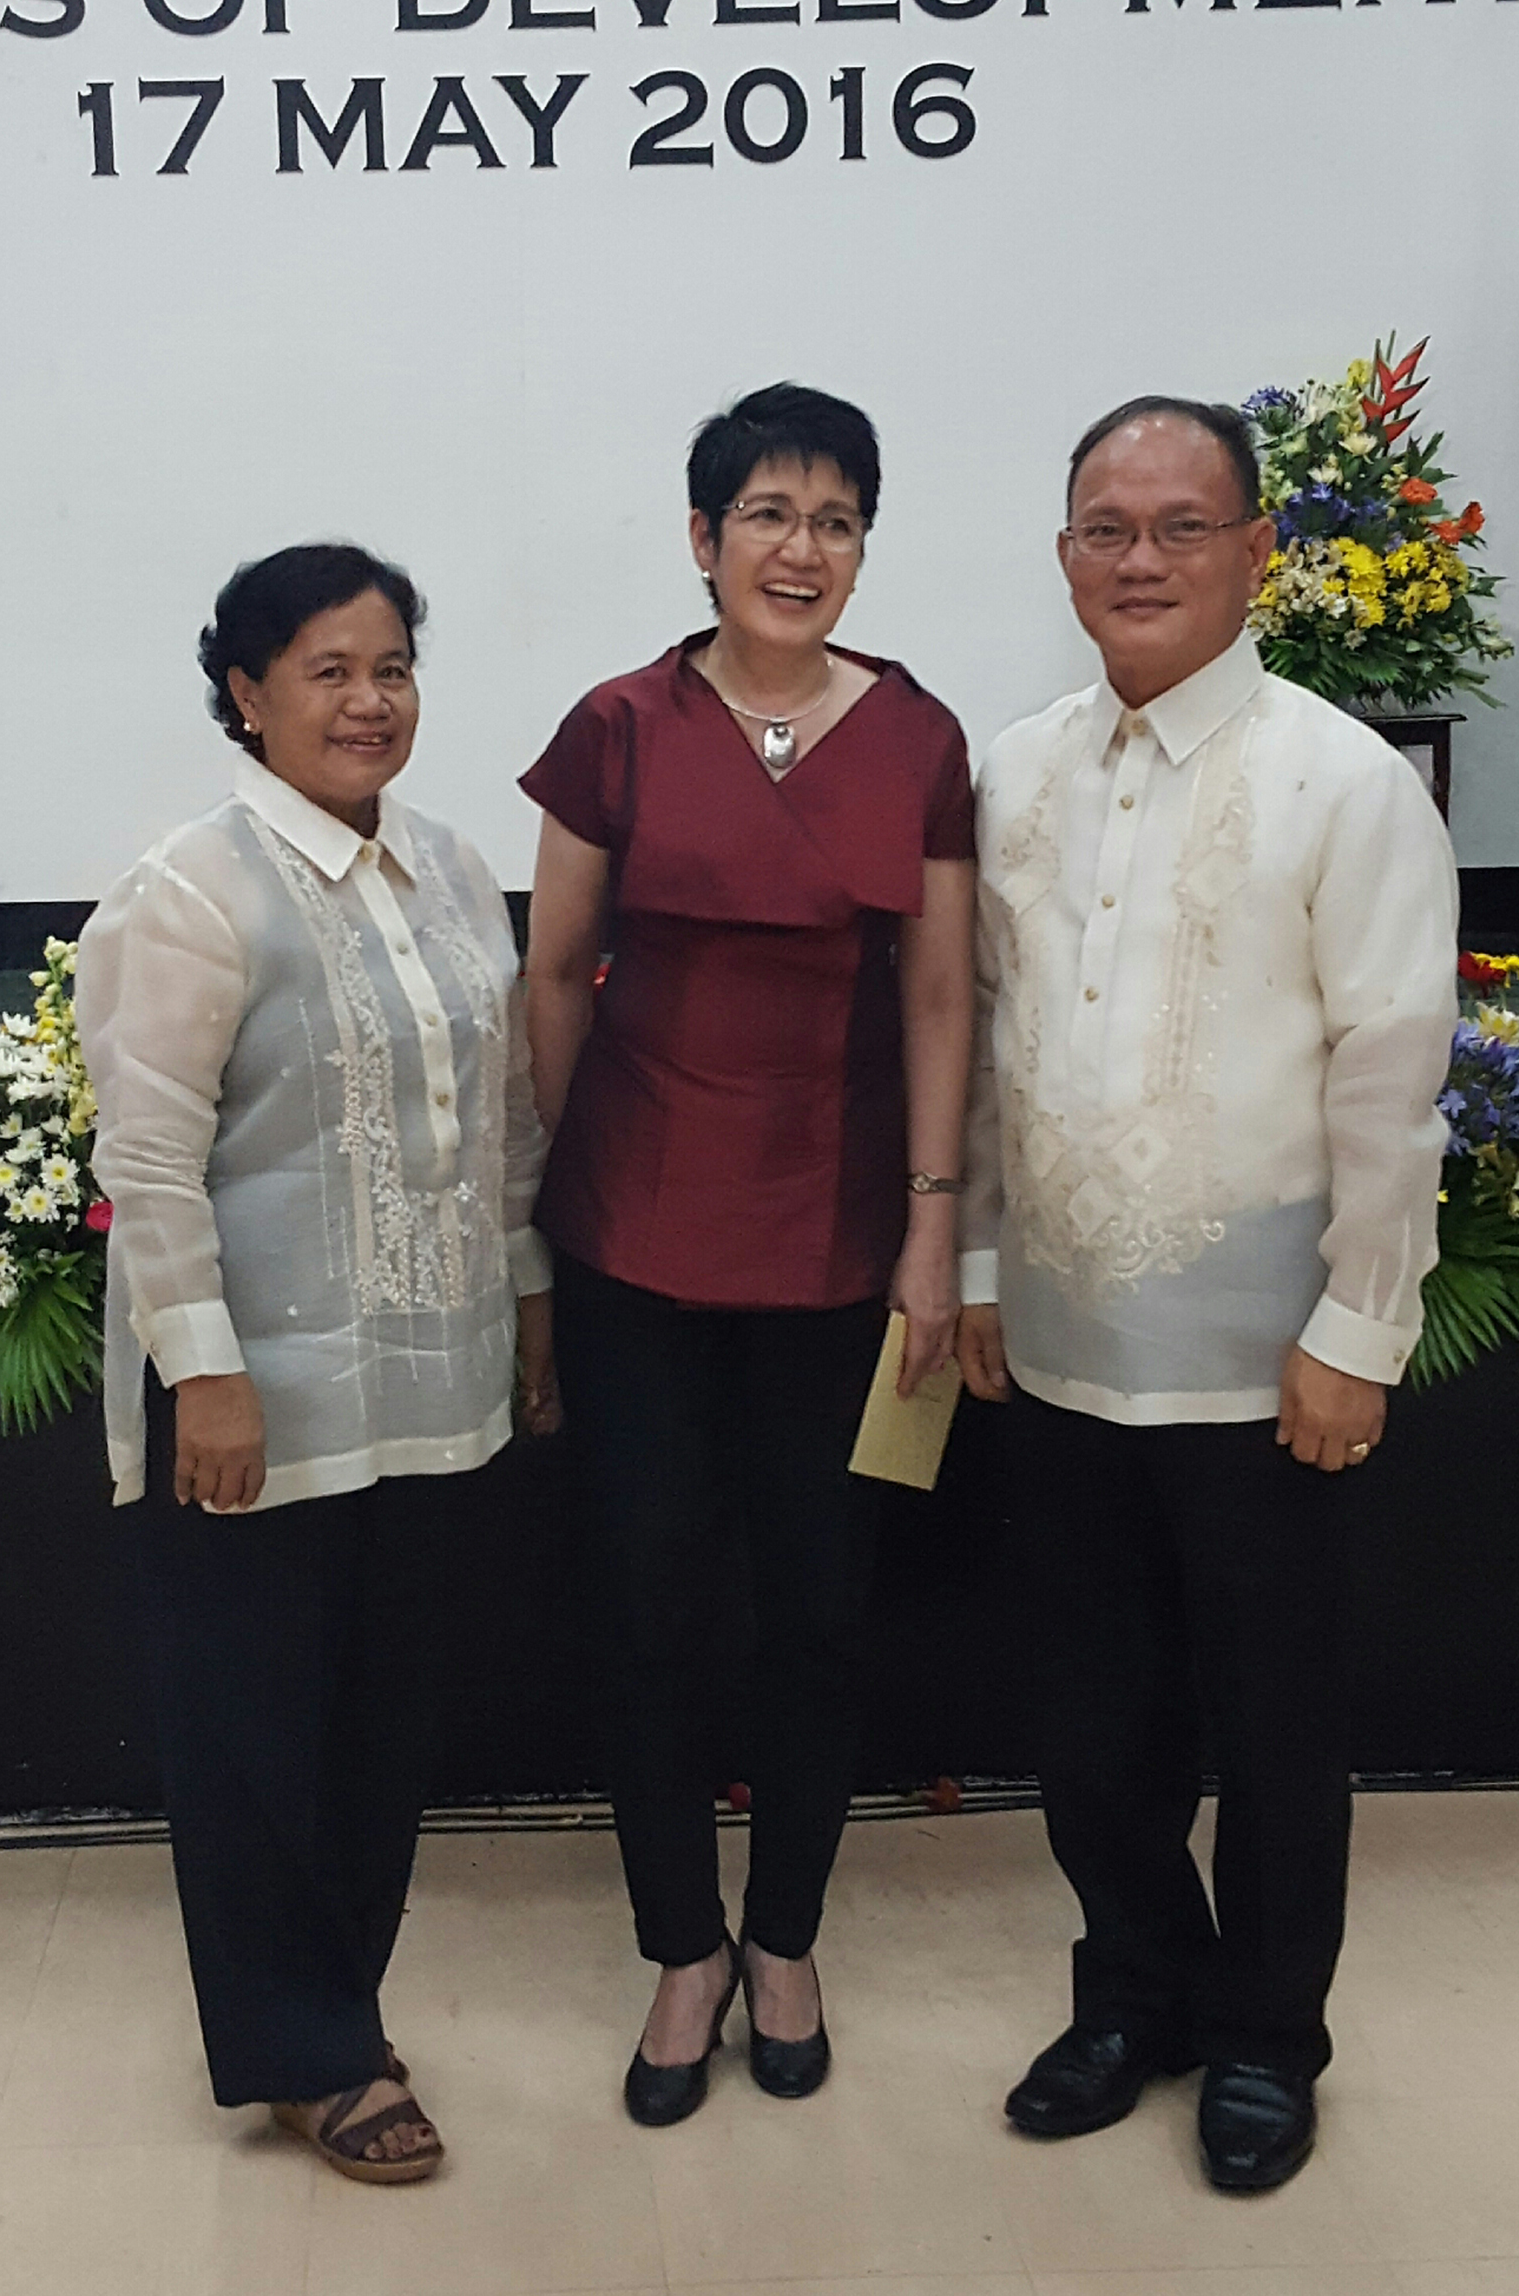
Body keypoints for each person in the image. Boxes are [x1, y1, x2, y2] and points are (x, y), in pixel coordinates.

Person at [956, 397, 1458, 2194]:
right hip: (1068, 1349)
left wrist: (1357, 1330)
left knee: (1274, 1725)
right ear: (1067, 551)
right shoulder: (1014, 771)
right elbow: (990, 1056)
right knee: (1093, 1722)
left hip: (1269, 1363)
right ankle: (1135, 1994)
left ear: (1256, 551)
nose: (1143, 556)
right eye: (1108, 525)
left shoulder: (1344, 781)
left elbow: (1394, 1079)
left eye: (1183, 524)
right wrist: (980, 1268)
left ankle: (1266, 2034)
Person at [521, 382, 975, 2123]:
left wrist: (937, 1227)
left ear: (865, 546)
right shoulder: (620, 724)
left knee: (821, 1611)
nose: (803, 548)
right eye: (769, 514)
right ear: (703, 538)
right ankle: (680, 1948)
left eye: (837, 519)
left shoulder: (920, 738)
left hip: (846, 1237)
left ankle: (785, 1936)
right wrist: (559, 1198)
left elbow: (940, 989)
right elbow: (558, 974)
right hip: (635, 1230)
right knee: (650, 1610)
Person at [75, 544, 552, 2189]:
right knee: (255, 1725)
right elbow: (147, 1157)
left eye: (395, 666)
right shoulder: (193, 890)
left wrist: (529, 1295)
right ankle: (313, 2051)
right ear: (246, 693)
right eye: (330, 669)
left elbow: (505, 1123)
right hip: (253, 1393)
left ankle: (337, 2005)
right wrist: (201, 1371)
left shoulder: (448, 865)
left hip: (430, 1376)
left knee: (382, 1718)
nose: (371, 699)